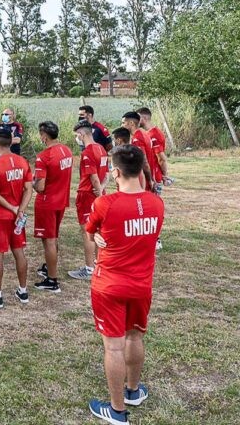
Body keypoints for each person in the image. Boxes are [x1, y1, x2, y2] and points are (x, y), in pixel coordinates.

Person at [86, 145, 164, 425]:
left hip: (109, 286)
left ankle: (117, 410)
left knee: (114, 347)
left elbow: (91, 228)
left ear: (116, 172)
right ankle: (132, 391)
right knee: (135, 337)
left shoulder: (105, 203)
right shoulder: (157, 204)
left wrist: (97, 237)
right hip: (141, 285)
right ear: (141, 170)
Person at [0, 128, 33, 308]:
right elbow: (29, 189)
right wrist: (20, 209)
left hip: (0, 215)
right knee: (19, 251)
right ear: (10, 142)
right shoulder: (23, 161)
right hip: (17, 215)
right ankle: (23, 290)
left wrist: (12, 208)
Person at [33, 121, 73, 293]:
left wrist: (30, 184)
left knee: (48, 240)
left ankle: (52, 280)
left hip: (47, 202)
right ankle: (49, 268)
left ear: (44, 136)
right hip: (61, 200)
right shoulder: (67, 151)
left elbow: (40, 186)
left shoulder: (44, 156)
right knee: (53, 237)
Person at [68, 121, 109, 281]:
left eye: (77, 135)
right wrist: (102, 192)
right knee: (99, 231)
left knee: (88, 233)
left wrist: (98, 194)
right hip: (100, 193)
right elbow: (106, 176)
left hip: (87, 195)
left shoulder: (87, 153)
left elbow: (94, 178)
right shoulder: (102, 149)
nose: (77, 138)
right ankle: (100, 265)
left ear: (82, 134)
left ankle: (89, 268)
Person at [121, 112, 155, 191]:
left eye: (123, 123)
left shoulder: (137, 138)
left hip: (143, 181)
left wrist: (149, 180)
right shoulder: (144, 133)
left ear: (131, 123)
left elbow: (144, 162)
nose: (122, 126)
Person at [136, 107, 169, 186]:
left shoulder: (154, 135)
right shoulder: (147, 133)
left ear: (145, 118)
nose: (136, 121)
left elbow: (161, 158)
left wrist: (164, 175)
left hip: (154, 174)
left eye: (137, 118)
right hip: (148, 174)